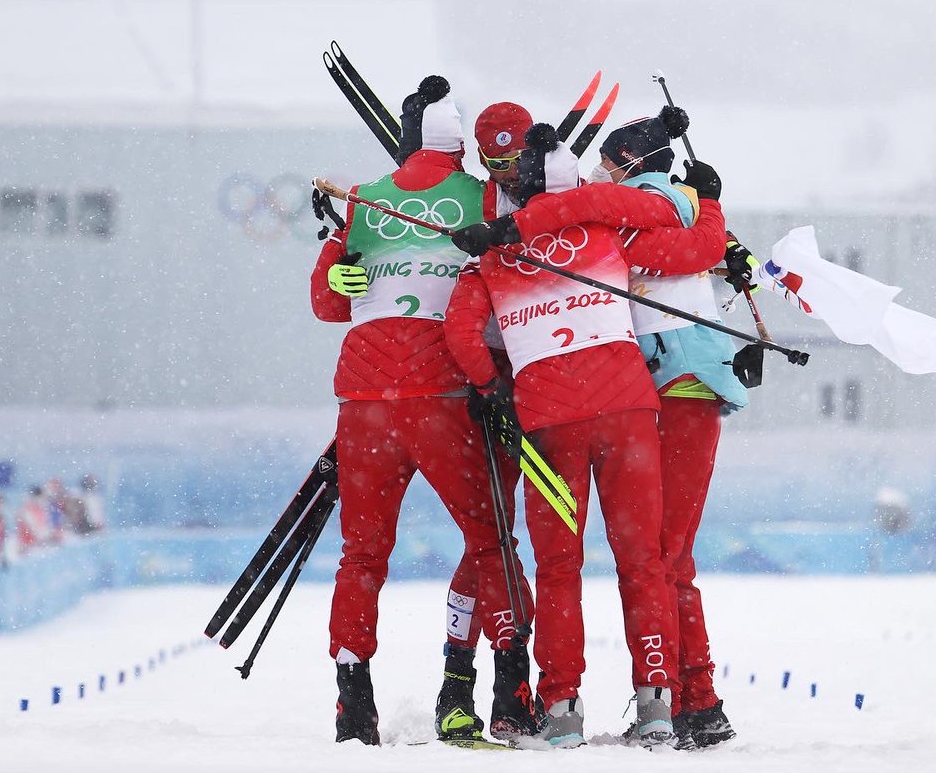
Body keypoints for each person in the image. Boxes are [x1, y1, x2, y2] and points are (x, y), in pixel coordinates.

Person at [455, 107, 745, 749]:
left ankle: (561, 708)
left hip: (546, 424)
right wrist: (710, 200)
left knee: (558, 568)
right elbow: (692, 238)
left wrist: (490, 389)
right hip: (629, 415)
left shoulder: (493, 256)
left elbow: (459, 333)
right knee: (643, 562)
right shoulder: (613, 232)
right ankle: (658, 707)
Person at [310, 75, 534, 746]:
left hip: (365, 399)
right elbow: (522, 264)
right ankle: (508, 688)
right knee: (491, 539)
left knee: (362, 555)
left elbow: (328, 300)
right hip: (447, 390)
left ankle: (354, 703)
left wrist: (337, 272)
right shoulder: (485, 196)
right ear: (462, 145)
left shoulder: (366, 197)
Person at [434, 100, 539, 741]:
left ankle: (474, 684)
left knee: (494, 541)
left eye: (514, 159)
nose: (504, 172)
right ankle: (479, 686)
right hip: (482, 383)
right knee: (491, 539)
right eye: (492, 161)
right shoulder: (473, 199)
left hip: (541, 377)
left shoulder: (560, 195)